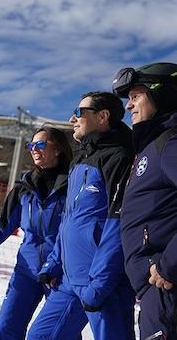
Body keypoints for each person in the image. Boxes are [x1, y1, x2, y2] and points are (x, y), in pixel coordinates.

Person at [27, 92, 136, 339]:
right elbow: (69, 221)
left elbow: (118, 224)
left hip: (104, 283)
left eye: (78, 112)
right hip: (69, 279)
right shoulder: (80, 159)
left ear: (103, 116)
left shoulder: (119, 157)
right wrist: (54, 262)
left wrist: (99, 285)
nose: (71, 118)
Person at [0, 126, 73, 339]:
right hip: (26, 270)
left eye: (41, 144)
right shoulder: (24, 186)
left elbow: (73, 232)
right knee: (6, 328)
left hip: (60, 273)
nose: (34, 149)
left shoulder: (73, 184)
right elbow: (2, 225)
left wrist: (57, 266)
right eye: (31, 145)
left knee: (60, 334)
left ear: (58, 149)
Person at [112, 62, 177, 339]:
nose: (129, 106)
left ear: (161, 93)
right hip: (155, 288)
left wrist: (169, 265)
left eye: (135, 96)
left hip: (166, 286)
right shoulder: (152, 146)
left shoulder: (169, 143)